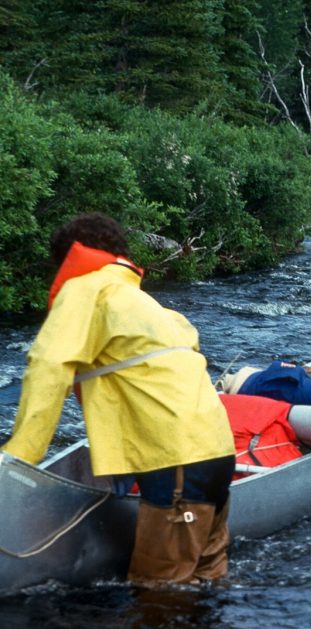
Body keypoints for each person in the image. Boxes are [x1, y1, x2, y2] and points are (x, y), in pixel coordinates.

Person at [0, 213, 236, 585]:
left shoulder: (84, 289)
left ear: (70, 257)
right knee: (206, 577)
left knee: (159, 591)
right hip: (217, 452)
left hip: (176, 461)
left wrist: (17, 460)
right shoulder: (144, 304)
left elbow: (48, 367)